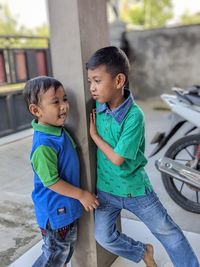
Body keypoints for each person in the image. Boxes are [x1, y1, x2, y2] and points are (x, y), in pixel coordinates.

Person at [86, 46, 200, 267]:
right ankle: (142, 252)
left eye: (97, 81)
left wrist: (94, 135)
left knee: (169, 233)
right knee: (103, 236)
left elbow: (118, 159)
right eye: (90, 81)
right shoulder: (98, 106)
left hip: (136, 191)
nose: (92, 88)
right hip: (106, 192)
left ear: (119, 81)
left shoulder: (134, 116)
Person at [23, 76, 99, 267]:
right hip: (55, 214)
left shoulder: (58, 131)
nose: (64, 106)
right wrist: (82, 195)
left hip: (64, 212)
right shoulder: (43, 145)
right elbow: (52, 182)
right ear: (36, 110)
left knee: (63, 253)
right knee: (54, 257)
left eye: (64, 99)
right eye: (55, 102)